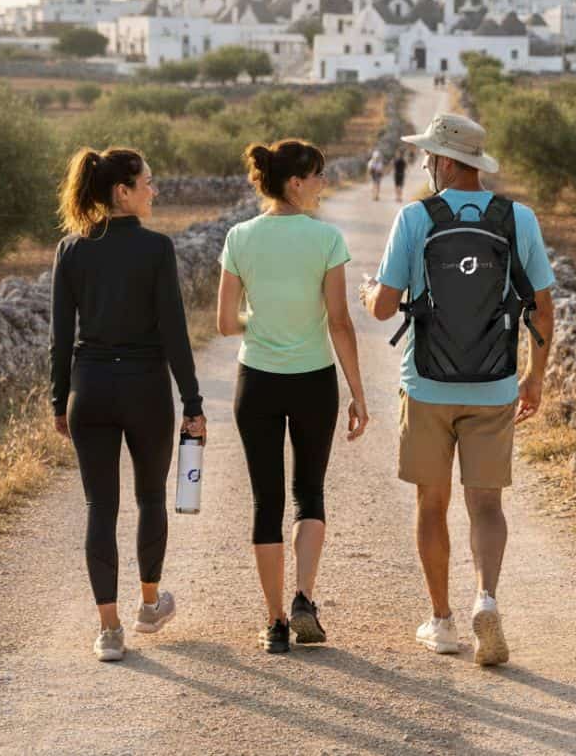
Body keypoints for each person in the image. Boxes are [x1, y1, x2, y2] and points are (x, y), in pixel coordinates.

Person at [359, 113, 556, 666]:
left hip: (425, 384)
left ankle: (442, 620)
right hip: (494, 385)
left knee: (432, 501)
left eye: (429, 156)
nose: (425, 164)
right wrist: (534, 376)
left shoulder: (415, 218)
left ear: (445, 161)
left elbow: (381, 306)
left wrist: (369, 290)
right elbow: (542, 305)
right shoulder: (518, 218)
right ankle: (486, 598)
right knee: (487, 503)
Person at [49, 146, 208, 663]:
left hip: (88, 389)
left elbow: (60, 337)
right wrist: (193, 400)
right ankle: (148, 605)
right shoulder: (157, 249)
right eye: (148, 183)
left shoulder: (71, 250)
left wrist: (58, 399)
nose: (154, 191)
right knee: (150, 499)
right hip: (144, 389)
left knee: (100, 506)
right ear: (123, 191)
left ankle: (109, 630)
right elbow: (174, 333)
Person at [217, 139, 371, 654]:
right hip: (314, 380)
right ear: (295, 182)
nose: (323, 184)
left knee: (266, 500)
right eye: (317, 175)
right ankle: (305, 597)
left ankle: (275, 622)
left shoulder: (239, 237)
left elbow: (223, 322)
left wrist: (262, 319)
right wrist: (358, 393)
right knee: (310, 492)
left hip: (256, 380)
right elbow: (341, 322)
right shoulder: (325, 239)